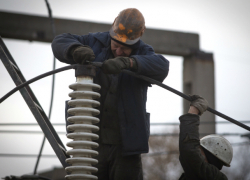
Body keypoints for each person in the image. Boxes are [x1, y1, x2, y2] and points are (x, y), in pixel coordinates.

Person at [51, 8, 169, 180]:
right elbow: (59, 41)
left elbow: (162, 66)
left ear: (136, 42)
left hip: (126, 147)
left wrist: (129, 63)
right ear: (112, 33)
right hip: (89, 140)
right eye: (116, 45)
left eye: (125, 49)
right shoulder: (93, 41)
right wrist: (75, 49)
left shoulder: (143, 53)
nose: (119, 51)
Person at [179, 95, 233, 180]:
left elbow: (189, 151)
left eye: (199, 150)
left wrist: (194, 111)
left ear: (208, 156)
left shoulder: (209, 175)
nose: (197, 152)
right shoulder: (210, 176)